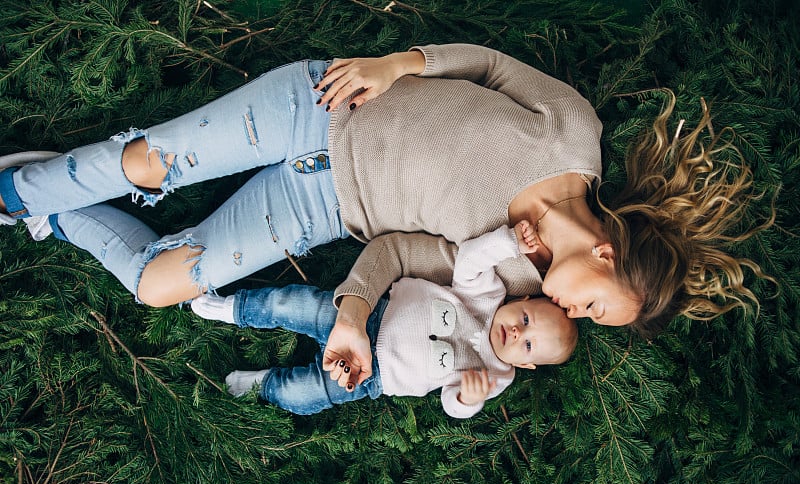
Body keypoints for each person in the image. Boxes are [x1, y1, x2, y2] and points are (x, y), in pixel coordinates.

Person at [0, 44, 770, 387]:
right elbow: (493, 67)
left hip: (320, 207)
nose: (572, 312)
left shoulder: (506, 278)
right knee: (149, 164)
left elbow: (400, 250)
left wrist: (349, 318)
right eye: (593, 307)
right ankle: (17, 193)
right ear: (608, 255)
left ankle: (51, 211)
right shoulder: (576, 133)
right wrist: (398, 64)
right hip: (323, 108)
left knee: (154, 284)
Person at [190, 222, 577, 418]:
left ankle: (264, 385)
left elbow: (449, 404)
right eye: (525, 318)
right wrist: (509, 242)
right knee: (294, 304)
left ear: (527, 363)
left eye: (527, 343)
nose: (515, 331)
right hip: (370, 316)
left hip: (373, 377)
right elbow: (471, 259)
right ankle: (233, 308)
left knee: (308, 393)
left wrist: (468, 400)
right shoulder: (487, 295)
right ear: (522, 298)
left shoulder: (496, 376)